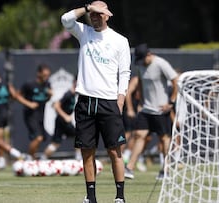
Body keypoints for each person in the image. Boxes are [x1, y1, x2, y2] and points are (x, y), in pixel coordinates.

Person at [61, 1, 131, 203]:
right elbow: (65, 19)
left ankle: (120, 197)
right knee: (87, 151)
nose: (95, 17)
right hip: (85, 101)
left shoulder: (120, 40)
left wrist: (121, 98)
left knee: (114, 151)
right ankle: (91, 197)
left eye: (99, 14)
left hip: (109, 102)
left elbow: (124, 72)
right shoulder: (84, 32)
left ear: (107, 16)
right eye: (93, 14)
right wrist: (87, 7)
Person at [124, 43, 178, 180]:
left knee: (164, 138)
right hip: (146, 109)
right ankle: (129, 168)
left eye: (143, 59)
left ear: (149, 54)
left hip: (161, 110)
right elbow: (141, 82)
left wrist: (171, 102)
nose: (141, 62)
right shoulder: (141, 65)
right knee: (139, 135)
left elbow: (176, 81)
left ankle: (165, 170)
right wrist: (141, 100)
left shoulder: (161, 64)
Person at [0, 67, 26, 171]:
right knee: (0, 140)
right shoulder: (6, 84)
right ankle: (1, 162)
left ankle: (18, 155)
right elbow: (14, 95)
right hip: (5, 114)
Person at [16, 64, 52, 160]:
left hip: (41, 114)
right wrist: (28, 104)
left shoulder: (47, 85)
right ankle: (28, 158)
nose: (46, 77)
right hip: (30, 115)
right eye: (44, 75)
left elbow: (46, 99)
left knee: (40, 139)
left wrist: (50, 96)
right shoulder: (29, 84)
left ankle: (32, 157)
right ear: (39, 73)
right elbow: (17, 95)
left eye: (48, 75)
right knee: (38, 138)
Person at [40, 78, 81, 160]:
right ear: (75, 82)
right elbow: (56, 106)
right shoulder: (68, 94)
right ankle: (79, 158)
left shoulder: (73, 95)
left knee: (56, 143)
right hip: (62, 121)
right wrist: (65, 116)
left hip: (60, 121)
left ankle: (43, 158)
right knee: (78, 136)